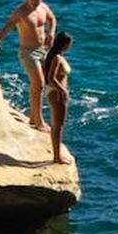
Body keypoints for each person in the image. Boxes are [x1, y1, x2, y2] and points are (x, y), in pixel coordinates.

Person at [0, 0, 56, 130]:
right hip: (28, 52)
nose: (34, 2)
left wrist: (51, 33)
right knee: (39, 84)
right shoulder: (21, 12)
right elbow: (7, 27)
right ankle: (39, 122)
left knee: (40, 85)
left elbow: (52, 19)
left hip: (43, 50)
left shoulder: (43, 7)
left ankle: (33, 117)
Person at [42, 31, 74, 164]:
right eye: (70, 44)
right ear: (65, 45)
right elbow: (51, 78)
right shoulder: (56, 58)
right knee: (58, 126)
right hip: (57, 93)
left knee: (57, 125)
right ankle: (57, 157)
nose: (71, 46)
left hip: (54, 92)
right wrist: (63, 91)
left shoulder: (54, 55)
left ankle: (57, 154)